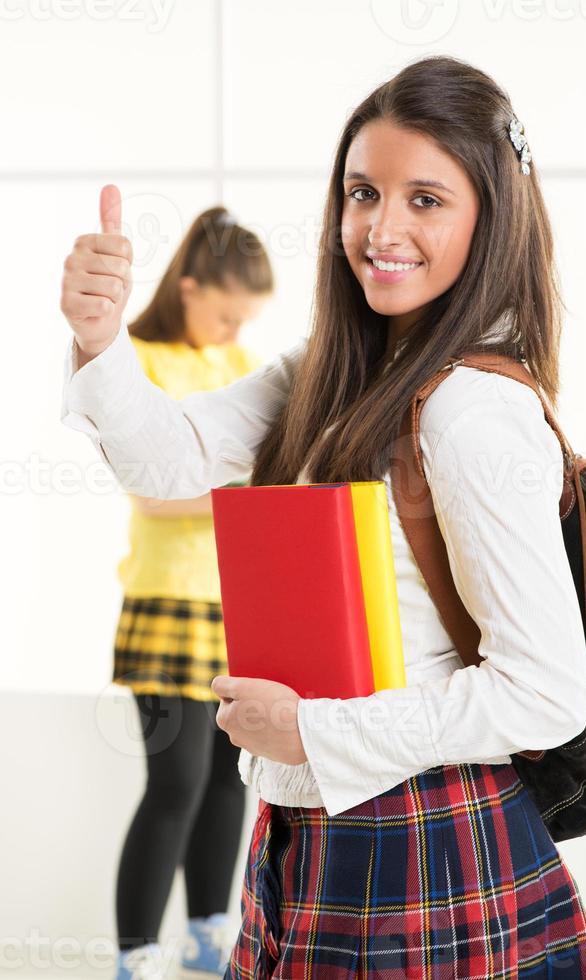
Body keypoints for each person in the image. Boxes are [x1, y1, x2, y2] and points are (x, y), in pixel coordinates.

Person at [60, 54, 586, 979]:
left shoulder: (472, 410)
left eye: (425, 199)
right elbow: (169, 459)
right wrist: (99, 337)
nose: (381, 228)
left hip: (422, 837)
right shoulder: (333, 367)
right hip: (313, 828)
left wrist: (313, 732)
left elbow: (548, 692)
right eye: (363, 192)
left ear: (491, 215)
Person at [65, 203, 273, 978]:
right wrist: (240, 490)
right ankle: (135, 957)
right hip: (166, 603)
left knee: (230, 778)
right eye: (224, 314)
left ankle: (205, 941)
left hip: (238, 608)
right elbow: (152, 493)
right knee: (175, 783)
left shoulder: (239, 364)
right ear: (188, 289)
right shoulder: (141, 358)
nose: (231, 330)